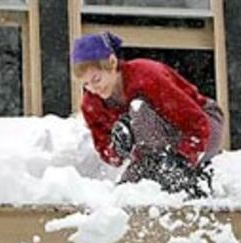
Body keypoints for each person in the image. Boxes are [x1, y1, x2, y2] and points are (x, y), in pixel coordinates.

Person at [71, 31, 224, 197]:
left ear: (112, 62)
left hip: (203, 126)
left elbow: (196, 122)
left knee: (138, 109)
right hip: (152, 153)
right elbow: (108, 154)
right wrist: (118, 148)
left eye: (96, 79)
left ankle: (192, 179)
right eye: (86, 84)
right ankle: (165, 173)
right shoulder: (91, 105)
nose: (93, 88)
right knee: (124, 195)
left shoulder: (147, 76)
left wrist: (184, 158)